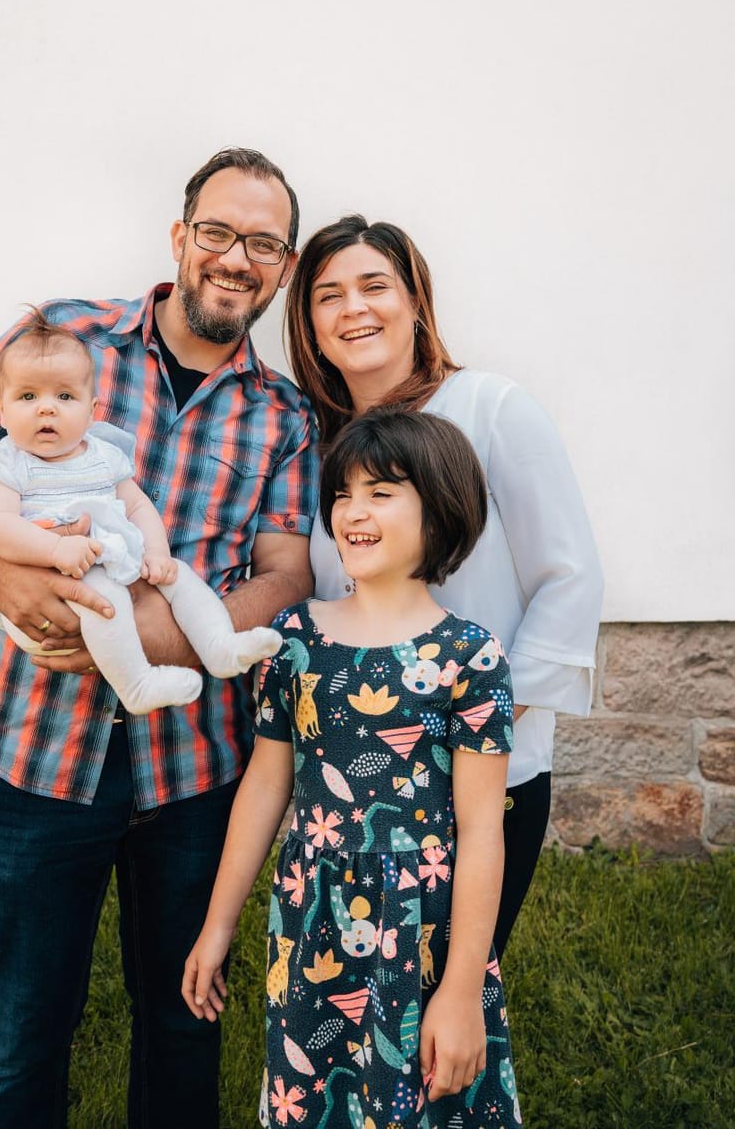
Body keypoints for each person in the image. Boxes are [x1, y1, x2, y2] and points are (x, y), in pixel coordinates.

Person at [0, 147, 318, 1129]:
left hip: (191, 771)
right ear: (180, 238)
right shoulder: (61, 341)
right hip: (36, 752)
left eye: (263, 242)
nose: (235, 256)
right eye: (217, 231)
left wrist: (167, 632)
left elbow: (287, 574)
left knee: (180, 1022)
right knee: (18, 1032)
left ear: (283, 266)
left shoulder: (282, 412)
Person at [183, 408, 522, 1128]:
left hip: (422, 925)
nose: (353, 511)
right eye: (342, 493)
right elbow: (267, 786)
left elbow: (483, 828)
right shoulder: (296, 638)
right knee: (316, 1094)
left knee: (424, 1100)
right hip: (313, 917)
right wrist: (218, 925)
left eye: (382, 491)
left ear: (440, 510)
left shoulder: (471, 655)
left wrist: (460, 987)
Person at [284, 214, 603, 958]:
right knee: (364, 993)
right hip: (359, 786)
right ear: (309, 326)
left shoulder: (492, 409)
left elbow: (570, 579)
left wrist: (469, 734)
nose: (353, 308)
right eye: (328, 295)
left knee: (451, 994)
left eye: (374, 286)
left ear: (417, 303)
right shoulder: (320, 447)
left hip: (484, 781)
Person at [0, 306, 283, 713]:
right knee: (106, 595)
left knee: (178, 577)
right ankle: (137, 684)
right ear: (2, 410)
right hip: (47, 587)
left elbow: (136, 504)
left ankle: (218, 646)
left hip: (110, 556)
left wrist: (155, 552)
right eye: (28, 396)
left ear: (92, 409)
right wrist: (56, 551)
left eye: (64, 396)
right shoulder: (5, 463)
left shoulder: (103, 453)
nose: (47, 408)